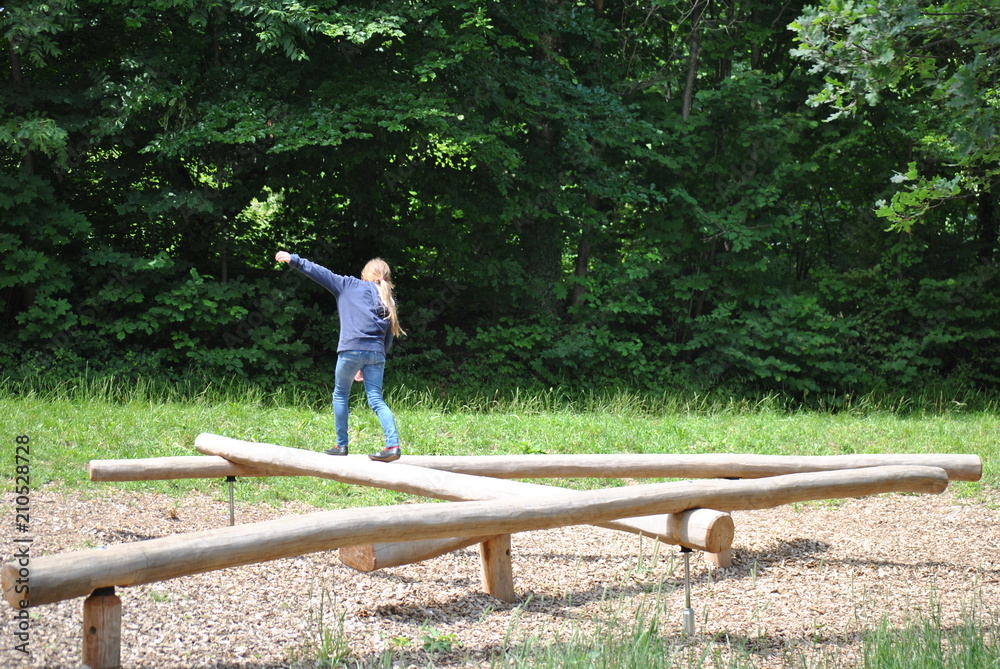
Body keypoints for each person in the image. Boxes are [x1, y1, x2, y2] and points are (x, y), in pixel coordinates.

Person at [275, 250, 405, 462]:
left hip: (351, 349)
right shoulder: (386, 297)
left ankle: (341, 445)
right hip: (376, 353)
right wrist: (376, 356)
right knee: (376, 399)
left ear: (364, 276)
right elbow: (388, 336)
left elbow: (320, 273)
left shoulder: (348, 285)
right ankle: (393, 445)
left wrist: (294, 260)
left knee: (341, 394)